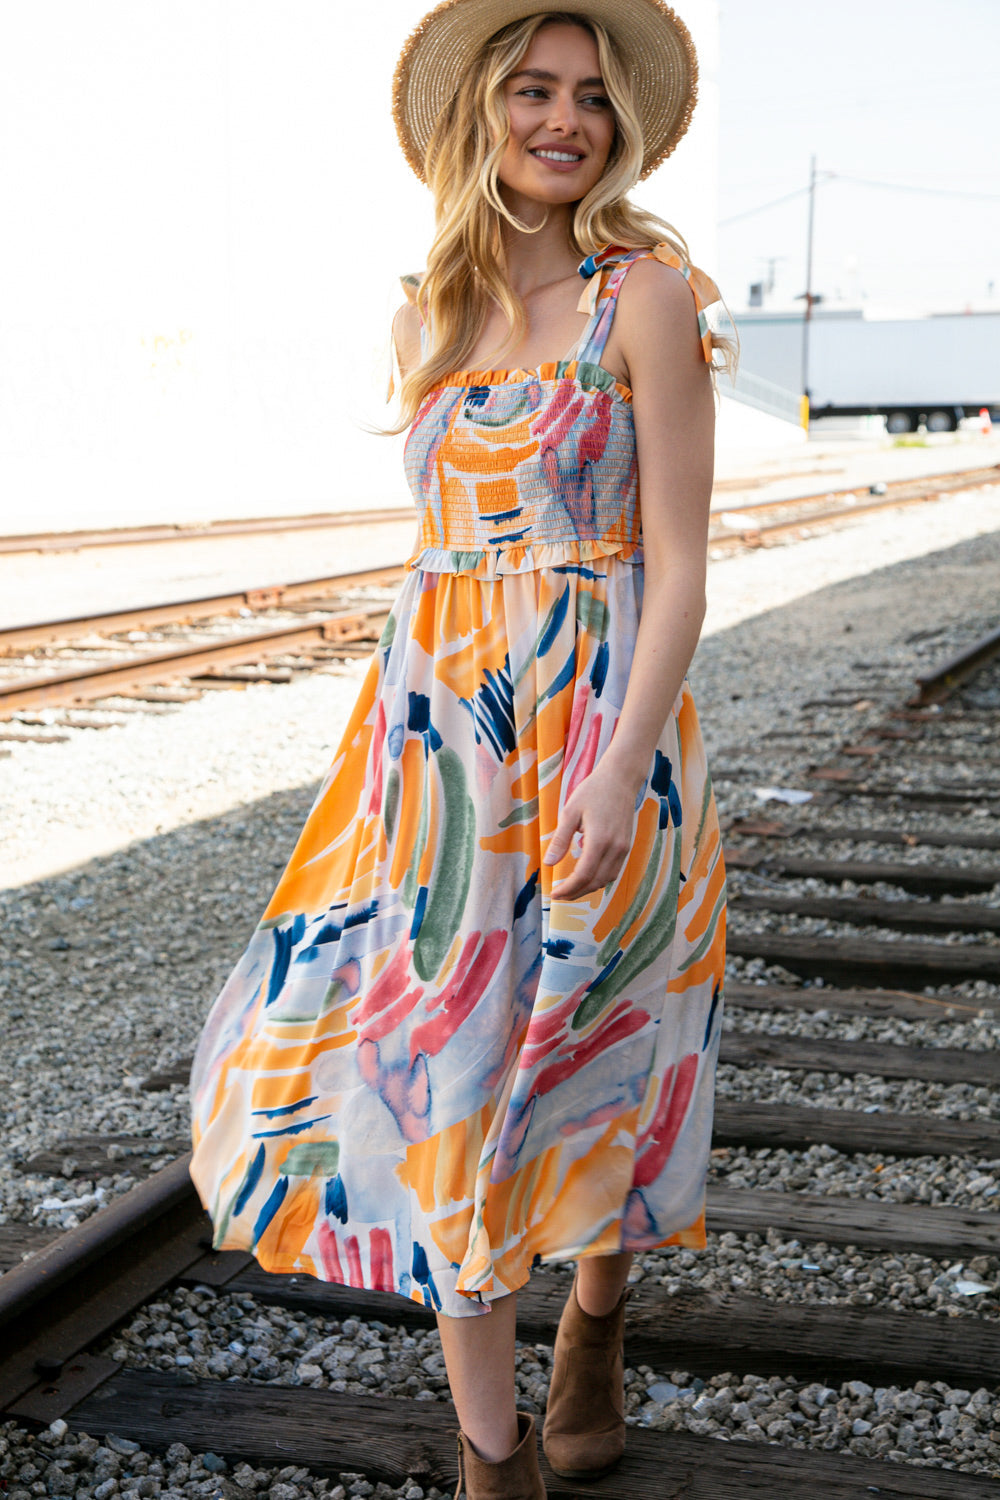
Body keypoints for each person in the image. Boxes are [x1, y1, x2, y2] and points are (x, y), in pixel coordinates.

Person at [189, 2, 733, 1495]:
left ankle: (600, 1319)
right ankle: (494, 1466)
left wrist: (620, 769)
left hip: (609, 738)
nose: (565, 119)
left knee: (604, 1052)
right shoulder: (428, 308)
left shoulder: (651, 297)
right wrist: (384, 765)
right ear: (482, 113)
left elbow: (679, 569)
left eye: (591, 98)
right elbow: (436, 573)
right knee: (450, 1082)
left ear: (619, 128)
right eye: (534, 91)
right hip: (440, 767)